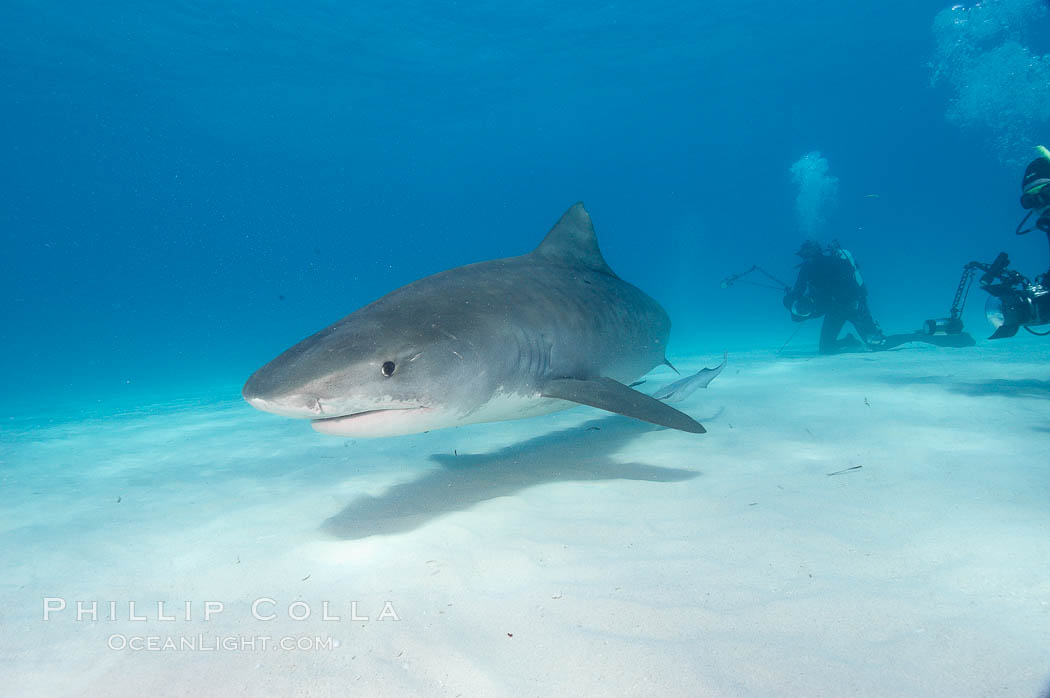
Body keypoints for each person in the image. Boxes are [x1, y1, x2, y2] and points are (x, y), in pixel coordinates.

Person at [782, 239, 885, 354]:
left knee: (827, 348)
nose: (805, 257)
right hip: (847, 307)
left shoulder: (807, 268)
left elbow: (797, 294)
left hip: (844, 309)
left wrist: (788, 298)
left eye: (805, 254)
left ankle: (852, 340)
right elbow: (855, 286)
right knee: (874, 343)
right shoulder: (834, 261)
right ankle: (851, 340)